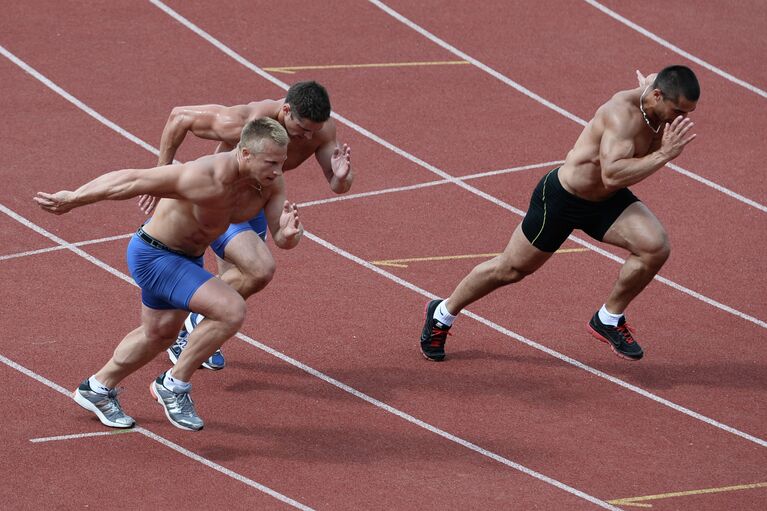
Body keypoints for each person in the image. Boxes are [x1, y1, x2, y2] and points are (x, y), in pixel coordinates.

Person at [34, 118, 302, 430]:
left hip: (187, 259)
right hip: (154, 254)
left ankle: (97, 388)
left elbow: (282, 239)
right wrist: (74, 198)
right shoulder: (203, 176)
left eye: (281, 163)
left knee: (158, 335)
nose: (277, 171)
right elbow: (132, 179)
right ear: (244, 153)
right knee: (230, 309)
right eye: (270, 162)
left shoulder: (268, 184)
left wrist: (289, 234)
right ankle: (173, 386)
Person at [420, 65, 699, 362]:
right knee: (510, 269)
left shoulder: (656, 92)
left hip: (605, 202)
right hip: (564, 199)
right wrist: (664, 155)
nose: (682, 119)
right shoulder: (621, 116)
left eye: (689, 113)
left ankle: (608, 317)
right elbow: (613, 175)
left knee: (655, 247)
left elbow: (657, 79)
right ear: (657, 96)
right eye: (678, 111)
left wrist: (651, 89)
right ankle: (441, 314)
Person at [138, 80, 353, 370]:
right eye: (301, 129)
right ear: (286, 110)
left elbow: (338, 184)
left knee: (240, 279)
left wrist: (341, 177)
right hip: (220, 204)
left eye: (313, 131)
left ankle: (197, 328)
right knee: (259, 268)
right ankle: (189, 329)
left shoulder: (320, 129)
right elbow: (180, 116)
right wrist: (161, 171)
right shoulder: (246, 122)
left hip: (258, 203)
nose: (306, 137)